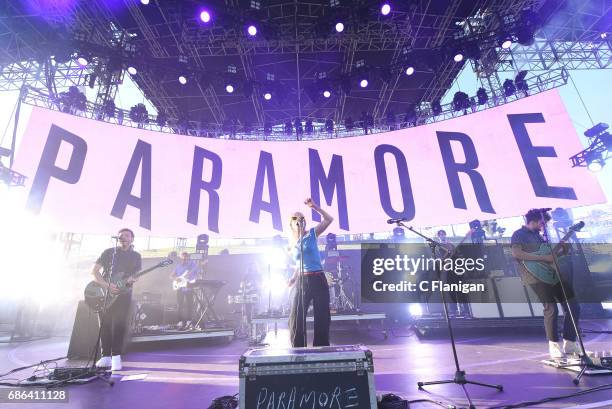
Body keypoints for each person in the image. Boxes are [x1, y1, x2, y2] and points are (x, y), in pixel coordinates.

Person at [511, 209, 580, 359]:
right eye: (542, 223)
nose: (543, 226)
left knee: (573, 306)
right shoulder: (518, 234)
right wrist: (544, 259)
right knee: (551, 308)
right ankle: (553, 345)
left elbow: (549, 256)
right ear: (533, 221)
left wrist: (562, 250)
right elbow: (517, 254)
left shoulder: (540, 236)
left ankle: (569, 342)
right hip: (534, 276)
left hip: (552, 274)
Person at [92, 228, 142, 372]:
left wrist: (131, 280)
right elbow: (94, 271)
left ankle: (116, 356)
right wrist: (106, 285)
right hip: (105, 292)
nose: (123, 237)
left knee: (119, 324)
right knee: (104, 323)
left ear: (132, 239)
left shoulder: (136, 256)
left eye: (127, 235)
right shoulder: (109, 252)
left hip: (124, 293)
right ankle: (105, 355)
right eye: (121, 235)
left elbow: (136, 275)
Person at [287, 198, 334, 347]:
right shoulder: (292, 243)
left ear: (304, 221)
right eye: (295, 218)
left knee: (322, 316)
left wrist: (315, 207)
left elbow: (329, 219)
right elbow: (298, 264)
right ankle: (298, 349)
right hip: (302, 280)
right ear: (291, 224)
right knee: (296, 316)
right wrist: (293, 278)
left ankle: (320, 348)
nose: (298, 220)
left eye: (301, 217)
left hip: (317, 278)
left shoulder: (312, 234)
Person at [171, 252, 199, 329]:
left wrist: (194, 276)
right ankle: (180, 321)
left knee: (190, 305)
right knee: (180, 305)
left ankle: (189, 321)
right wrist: (176, 278)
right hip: (180, 288)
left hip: (189, 287)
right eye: (182, 257)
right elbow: (171, 276)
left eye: (185, 257)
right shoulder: (178, 266)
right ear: (181, 258)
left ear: (188, 257)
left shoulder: (193, 265)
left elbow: (197, 273)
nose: (184, 259)